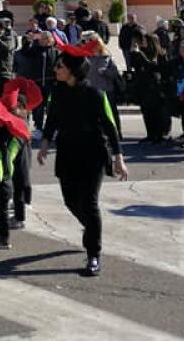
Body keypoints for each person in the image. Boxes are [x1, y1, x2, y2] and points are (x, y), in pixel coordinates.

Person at [37, 47, 128, 277]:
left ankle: (93, 254)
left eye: (60, 66)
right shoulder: (58, 92)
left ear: (73, 70)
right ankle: (91, 228)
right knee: (70, 201)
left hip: (93, 153)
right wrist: (46, 142)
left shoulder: (95, 94)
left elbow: (110, 127)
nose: (56, 69)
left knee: (89, 203)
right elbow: (53, 118)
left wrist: (119, 158)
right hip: (67, 152)